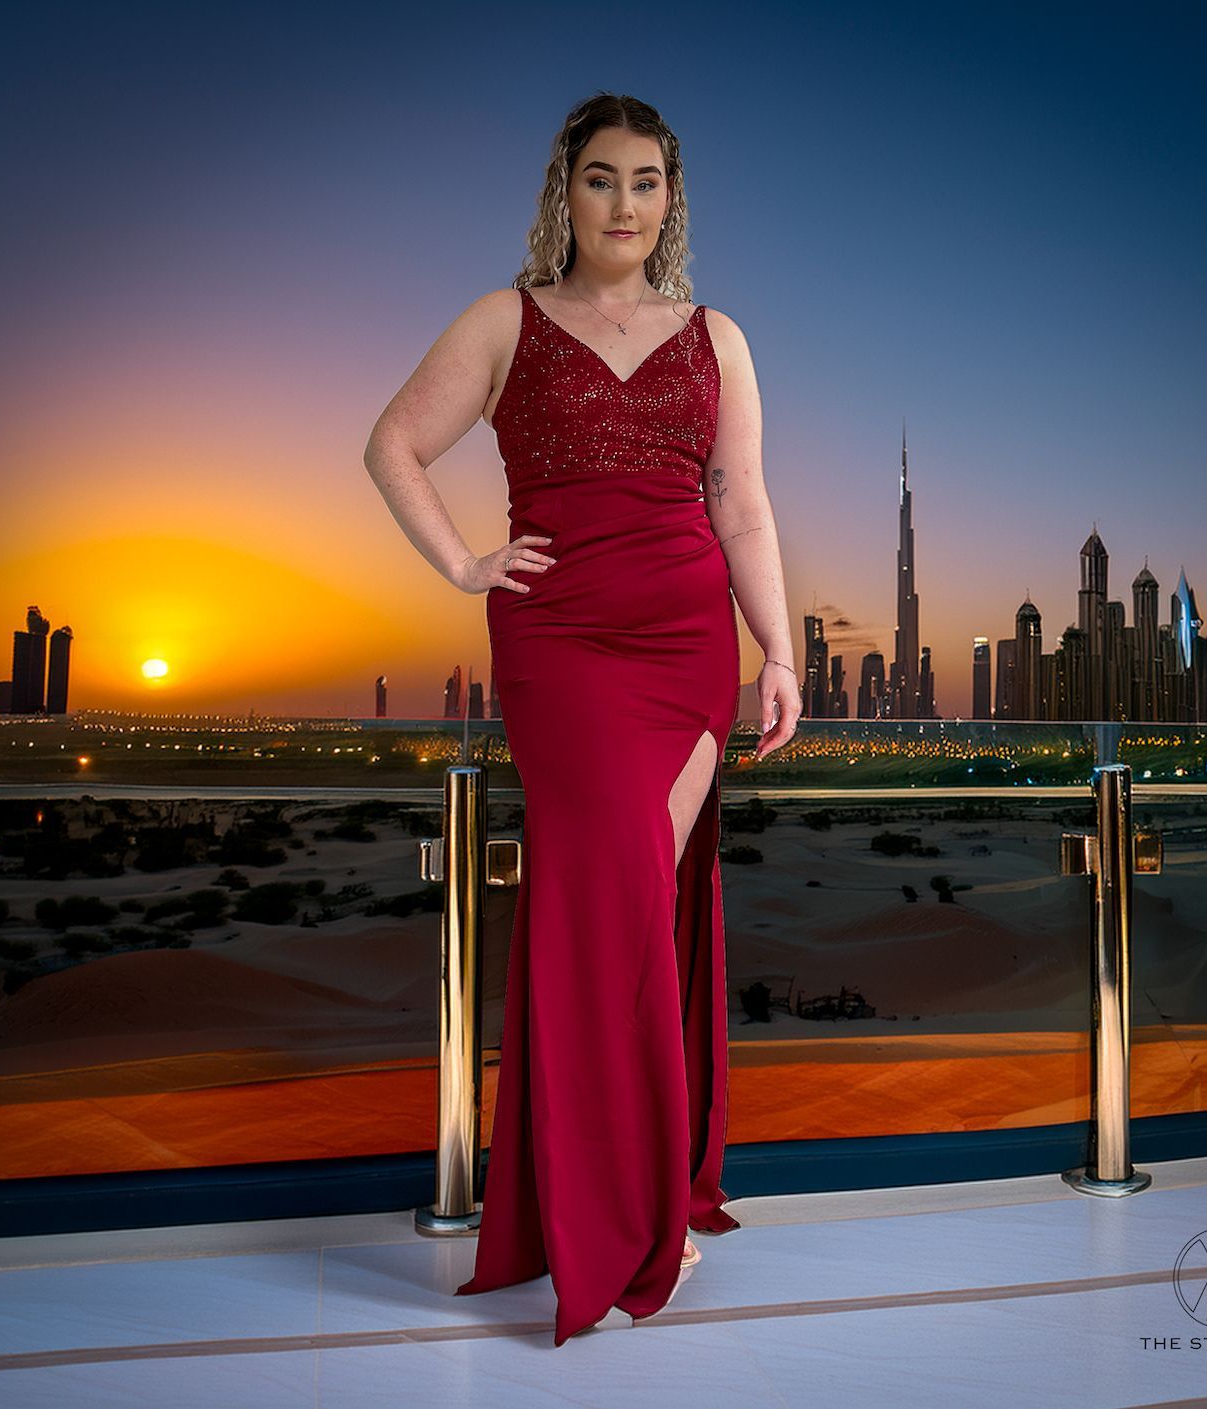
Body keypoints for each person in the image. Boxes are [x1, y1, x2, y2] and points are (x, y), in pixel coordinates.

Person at [363, 91, 799, 1346]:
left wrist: (778, 651)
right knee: (604, 908)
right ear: (568, 191)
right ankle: (615, 1211)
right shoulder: (504, 319)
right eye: (601, 180)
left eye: (646, 182)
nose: (624, 204)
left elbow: (745, 505)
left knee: (630, 917)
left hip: (681, 648)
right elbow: (395, 442)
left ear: (672, 199)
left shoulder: (717, 335)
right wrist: (460, 564)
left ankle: (614, 1196)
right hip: (558, 646)